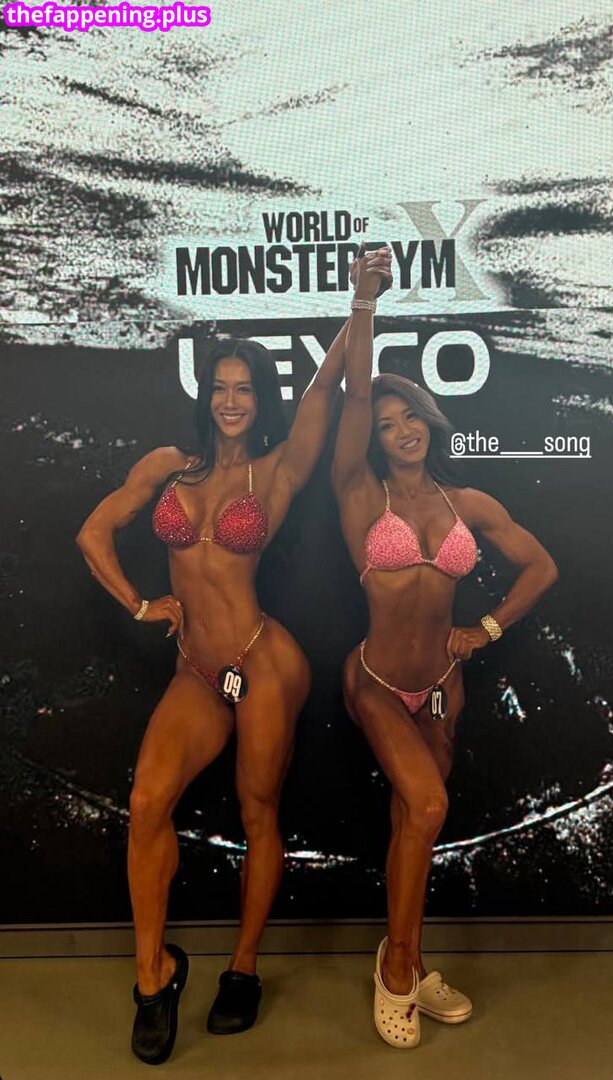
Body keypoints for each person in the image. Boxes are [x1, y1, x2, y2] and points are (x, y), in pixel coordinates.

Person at [75, 257, 392, 1066]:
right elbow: (92, 533)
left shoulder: (277, 470)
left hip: (260, 662)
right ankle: (153, 976)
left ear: (259, 399)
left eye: (244, 389)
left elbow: (327, 391)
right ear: (205, 394)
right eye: (219, 386)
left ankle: (244, 967)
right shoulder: (168, 468)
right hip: (196, 667)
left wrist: (361, 302)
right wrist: (140, 604)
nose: (230, 400)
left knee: (258, 812)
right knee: (147, 801)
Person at [331, 249, 558, 1048]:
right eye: (387, 425)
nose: (401, 431)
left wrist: (486, 629)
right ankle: (397, 970)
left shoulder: (468, 503)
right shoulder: (361, 494)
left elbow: (542, 567)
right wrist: (364, 302)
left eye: (411, 418)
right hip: (375, 682)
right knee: (429, 807)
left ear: (430, 421)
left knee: (413, 823)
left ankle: (412, 954)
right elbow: (357, 393)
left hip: (440, 688)